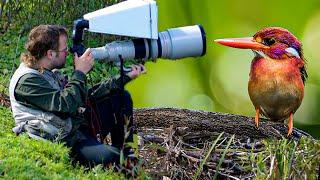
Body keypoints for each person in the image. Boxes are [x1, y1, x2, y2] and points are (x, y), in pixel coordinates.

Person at [9, 24, 146, 166]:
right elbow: (65, 104)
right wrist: (79, 73)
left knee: (120, 97)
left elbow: (86, 97)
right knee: (114, 158)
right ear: (50, 54)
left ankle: (127, 152)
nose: (68, 52)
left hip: (73, 127)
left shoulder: (45, 70)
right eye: (64, 49)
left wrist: (125, 77)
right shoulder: (27, 80)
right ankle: (120, 163)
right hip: (63, 140)